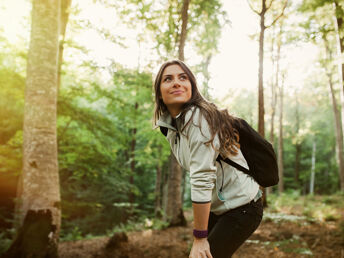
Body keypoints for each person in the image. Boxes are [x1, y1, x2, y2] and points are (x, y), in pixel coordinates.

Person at [153, 59, 263, 258]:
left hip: (243, 207)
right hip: (220, 207)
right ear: (159, 92)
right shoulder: (171, 128)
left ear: (192, 87)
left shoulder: (197, 119)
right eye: (168, 79)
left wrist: (200, 237)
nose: (176, 82)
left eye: (183, 77)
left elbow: (202, 177)